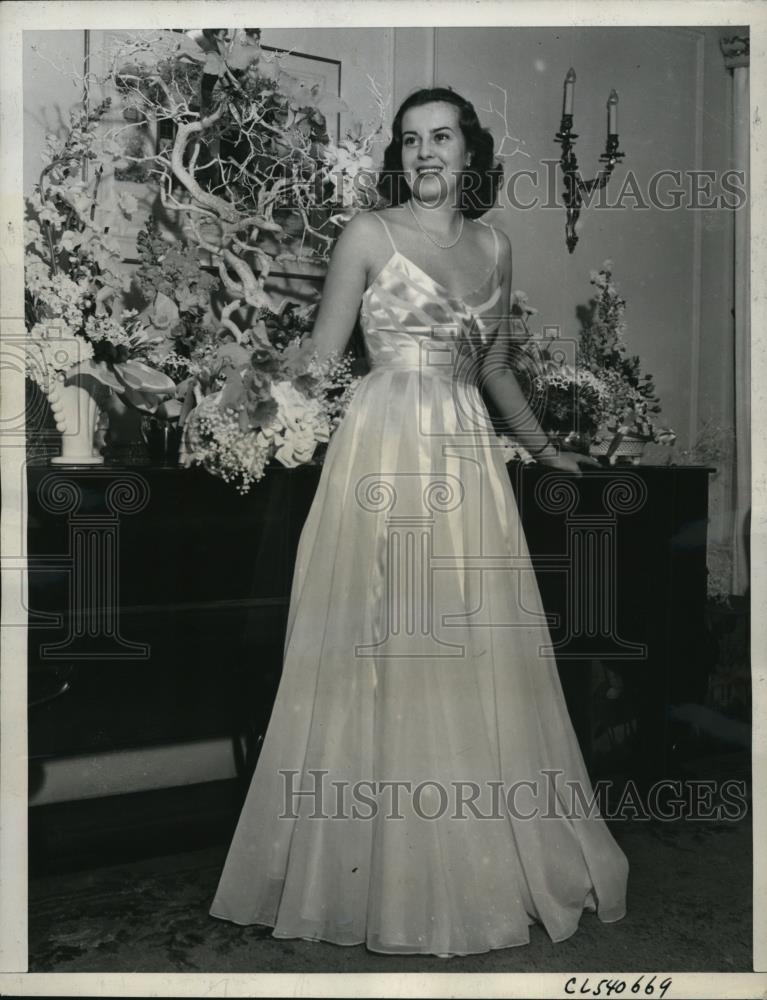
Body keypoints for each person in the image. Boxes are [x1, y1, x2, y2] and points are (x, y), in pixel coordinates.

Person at [210, 87, 629, 957]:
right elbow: (324, 361)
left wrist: (542, 448)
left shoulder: (494, 244)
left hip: (468, 455)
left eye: (441, 138)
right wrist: (251, 410)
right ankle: (373, 871)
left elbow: (496, 365)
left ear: (469, 151)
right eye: (410, 140)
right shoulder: (366, 234)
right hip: (382, 449)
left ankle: (472, 856)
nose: (425, 153)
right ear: (397, 155)